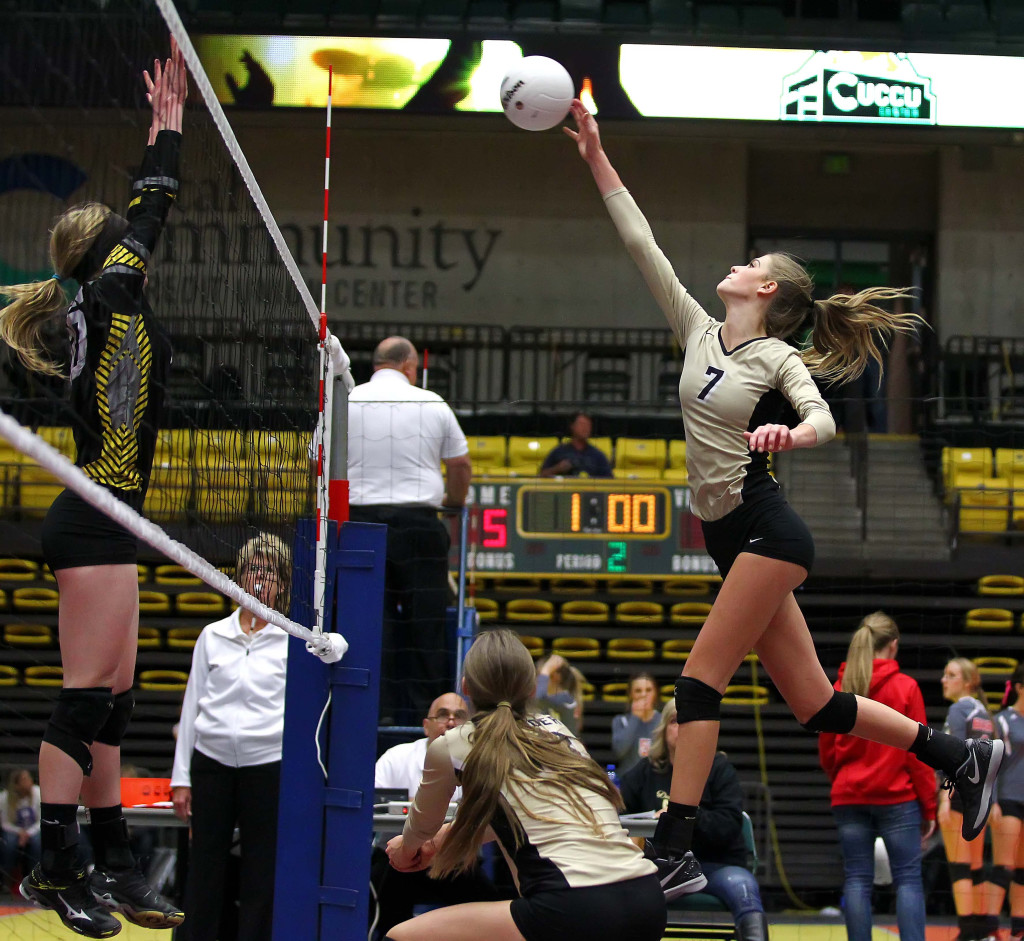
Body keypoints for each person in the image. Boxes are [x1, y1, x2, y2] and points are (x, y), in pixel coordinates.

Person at [564, 97, 1003, 899]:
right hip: (728, 537)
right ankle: (957, 753)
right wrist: (594, 150)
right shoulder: (698, 326)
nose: (733, 263)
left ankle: (676, 844)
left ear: (763, 287)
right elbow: (639, 240)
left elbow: (824, 419)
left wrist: (788, 437)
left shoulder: (774, 356)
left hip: (769, 530)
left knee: (698, 683)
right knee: (822, 705)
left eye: (749, 260)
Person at [0, 41, 186, 938]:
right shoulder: (110, 289)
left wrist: (162, 137)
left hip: (113, 516)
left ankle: (111, 860)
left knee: (115, 697)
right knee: (85, 696)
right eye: (123, 236)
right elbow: (153, 212)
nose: (134, 243)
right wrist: (168, 140)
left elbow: (144, 218)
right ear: (106, 252)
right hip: (93, 519)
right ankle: (55, 866)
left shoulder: (103, 298)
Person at [384, 628, 666, 941]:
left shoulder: (452, 744)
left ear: (466, 688)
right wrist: (436, 844)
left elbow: (420, 827)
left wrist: (406, 848)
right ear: (531, 689)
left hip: (573, 906)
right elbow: (514, 817)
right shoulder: (558, 730)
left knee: (400, 936)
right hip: (646, 898)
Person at [170, 533, 292, 941]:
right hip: (212, 764)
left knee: (262, 870)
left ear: (283, 583)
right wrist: (180, 778)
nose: (260, 579)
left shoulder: (293, 639)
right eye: (253, 570)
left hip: (268, 765)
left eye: (270, 572)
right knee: (204, 867)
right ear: (238, 578)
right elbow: (191, 709)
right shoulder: (212, 635)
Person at [347, 335, 472, 726]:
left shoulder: (347, 401)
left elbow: (320, 460)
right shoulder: (430, 402)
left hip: (360, 526)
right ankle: (426, 718)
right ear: (409, 366)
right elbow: (461, 466)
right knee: (425, 627)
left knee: (369, 622)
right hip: (419, 526)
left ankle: (371, 715)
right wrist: (451, 504)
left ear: (376, 364)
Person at [818, 612, 936, 941]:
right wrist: (929, 805)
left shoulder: (840, 687)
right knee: (908, 879)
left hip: (849, 796)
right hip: (897, 797)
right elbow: (920, 752)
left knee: (857, 878)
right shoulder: (906, 688)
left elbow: (827, 750)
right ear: (893, 646)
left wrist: (841, 780)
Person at [619, 700, 767, 939]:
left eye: (689, 722)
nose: (682, 728)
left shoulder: (719, 769)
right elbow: (618, 816)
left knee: (745, 887)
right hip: (662, 868)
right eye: (675, 721)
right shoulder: (646, 771)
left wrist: (684, 815)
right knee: (618, 891)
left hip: (716, 866)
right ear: (664, 729)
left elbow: (728, 827)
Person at [372, 692, 508, 938]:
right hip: (397, 858)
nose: (451, 722)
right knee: (378, 898)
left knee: (490, 902)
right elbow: (375, 802)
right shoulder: (396, 757)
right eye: (443, 715)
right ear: (426, 725)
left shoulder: (483, 762)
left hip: (452, 859)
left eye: (459, 716)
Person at [938, 658, 996, 941]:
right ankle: (980, 930)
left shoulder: (959, 709)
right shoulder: (984, 712)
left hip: (959, 794)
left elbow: (953, 753)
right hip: (980, 796)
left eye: (951, 675)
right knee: (975, 867)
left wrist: (944, 797)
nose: (943, 680)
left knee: (959, 866)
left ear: (968, 682)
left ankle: (966, 932)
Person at [992, 663, 1024, 941]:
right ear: (1019, 687)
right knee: (1004, 867)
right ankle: (988, 927)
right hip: (1008, 799)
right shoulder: (1002, 720)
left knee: (1023, 870)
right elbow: (992, 764)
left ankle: (1018, 928)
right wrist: (992, 801)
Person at [611, 673, 660, 776]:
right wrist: (635, 717)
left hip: (655, 780)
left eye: (648, 690)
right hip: (627, 781)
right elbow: (619, 752)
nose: (643, 695)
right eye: (638, 691)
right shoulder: (621, 721)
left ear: (655, 693)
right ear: (630, 695)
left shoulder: (663, 721)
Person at [539, 411, 613, 478]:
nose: (585, 428)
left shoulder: (597, 455)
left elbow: (609, 480)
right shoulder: (559, 452)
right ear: (572, 426)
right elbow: (541, 475)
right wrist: (557, 468)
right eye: (582, 425)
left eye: (588, 425)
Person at [0, 769, 41, 888]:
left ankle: (35, 879)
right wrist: (20, 833)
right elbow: (5, 823)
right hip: (14, 830)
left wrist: (28, 833)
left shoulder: (38, 793)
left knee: (37, 842)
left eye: (29, 778)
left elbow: (41, 820)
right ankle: (7, 879)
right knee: (9, 844)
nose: (29, 781)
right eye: (24, 779)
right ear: (16, 784)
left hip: (34, 829)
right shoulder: (4, 798)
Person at [534, 652, 585, 736]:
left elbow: (537, 700)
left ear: (556, 676)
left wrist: (545, 670)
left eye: (540, 676)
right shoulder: (553, 700)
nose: (538, 681)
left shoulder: (566, 699)